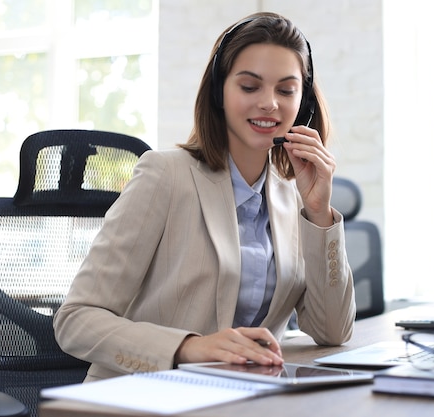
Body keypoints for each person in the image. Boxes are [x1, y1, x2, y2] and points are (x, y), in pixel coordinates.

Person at [54, 11, 356, 382]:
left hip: (241, 398)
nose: (269, 104)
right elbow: (76, 320)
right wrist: (187, 348)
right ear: (219, 93)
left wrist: (318, 213)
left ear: (304, 103)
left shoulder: (292, 197)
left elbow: (332, 331)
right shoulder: (165, 175)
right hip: (145, 396)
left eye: (286, 90)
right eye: (249, 87)